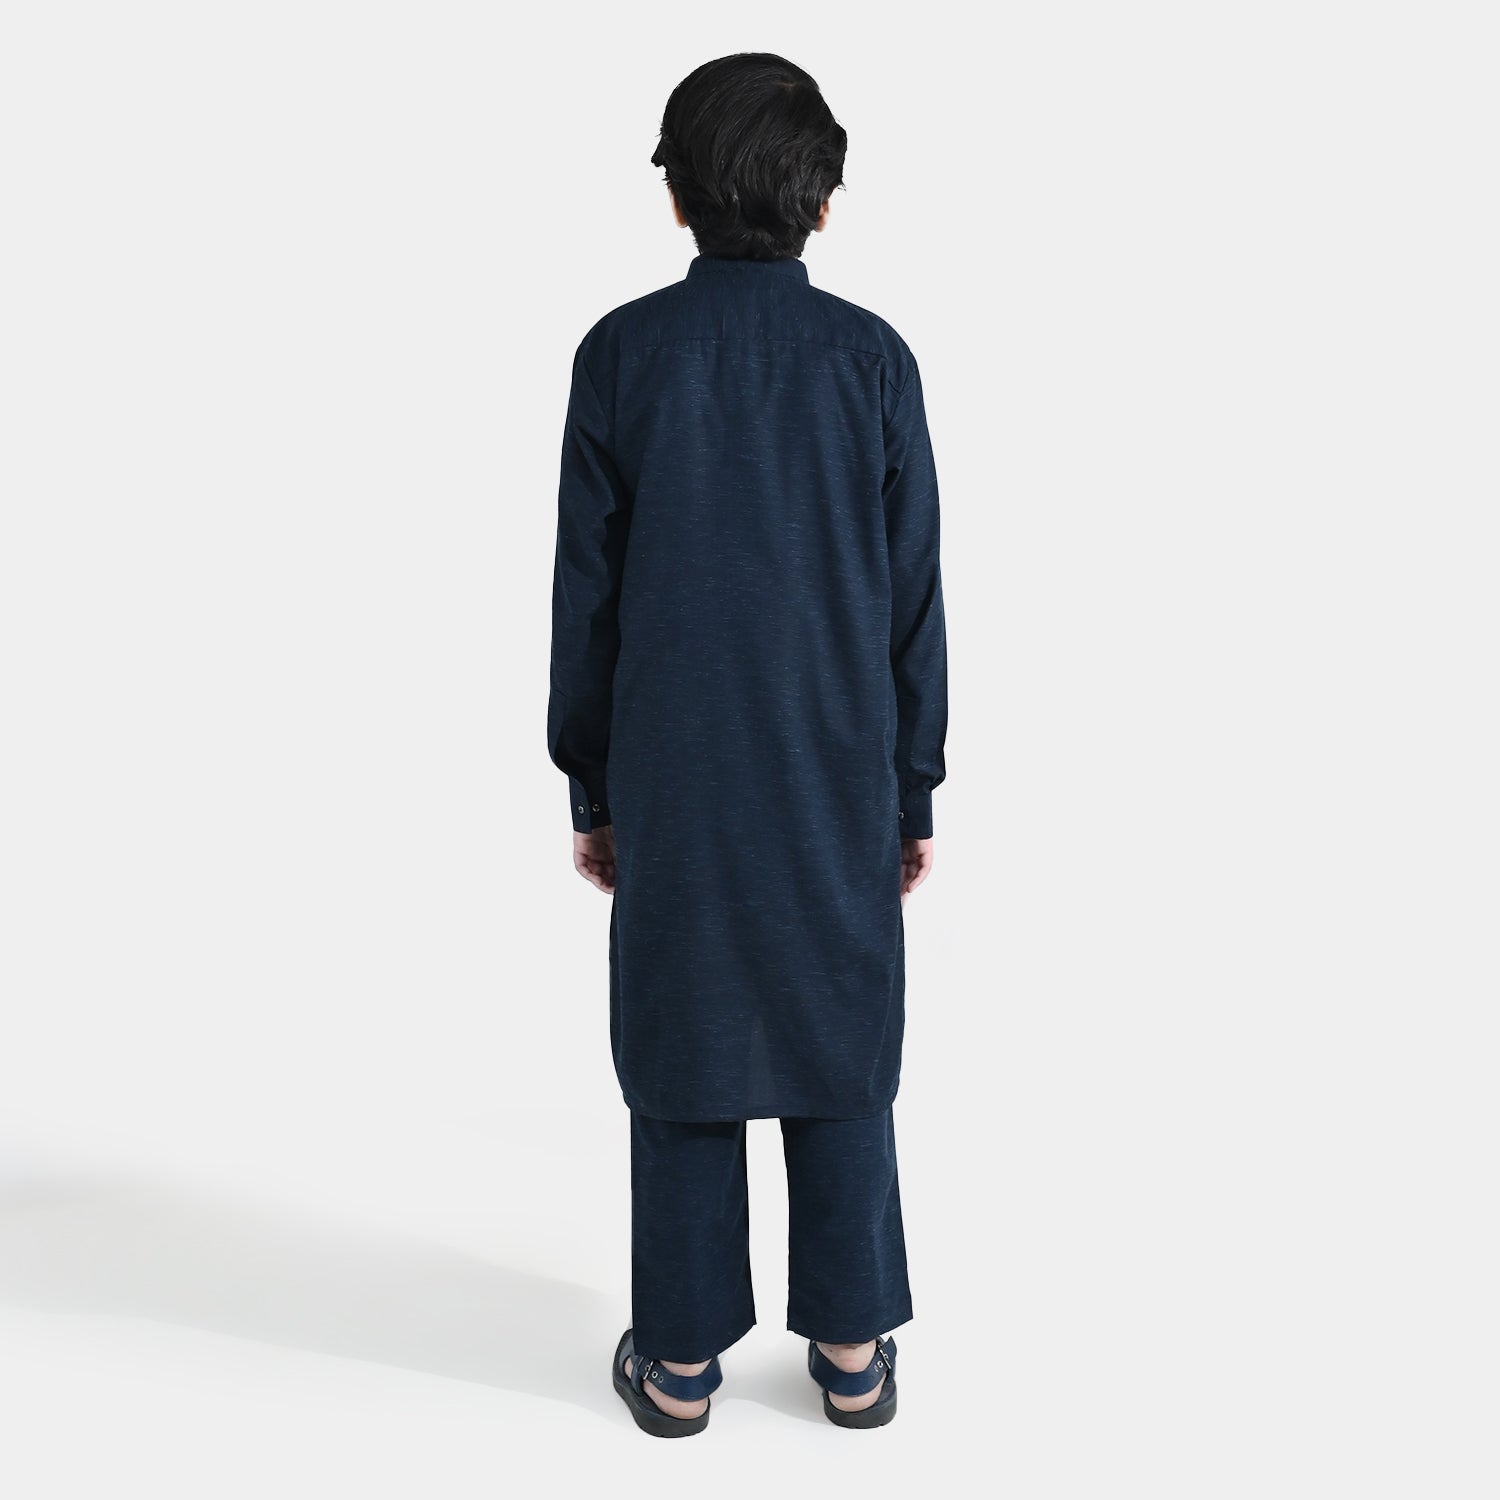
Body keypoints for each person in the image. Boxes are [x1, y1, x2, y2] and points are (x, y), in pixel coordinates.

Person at [546, 52, 947, 1437]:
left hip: (675, 773)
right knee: (842, 1041)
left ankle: (677, 1366)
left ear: (676, 194)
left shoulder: (621, 356)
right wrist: (912, 788)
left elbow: (588, 597)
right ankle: (851, 1350)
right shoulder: (873, 362)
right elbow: (912, 599)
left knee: (683, 1046)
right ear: (823, 198)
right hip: (838, 772)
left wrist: (592, 782)